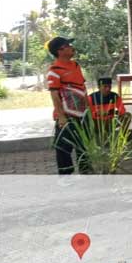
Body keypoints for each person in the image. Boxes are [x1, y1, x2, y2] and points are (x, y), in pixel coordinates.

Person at [46, 36, 88, 174]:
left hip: (82, 114)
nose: (71, 47)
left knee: (84, 146)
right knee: (63, 148)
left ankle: (87, 173)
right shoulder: (54, 70)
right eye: (68, 45)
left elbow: (82, 87)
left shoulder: (76, 66)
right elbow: (54, 95)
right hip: (67, 116)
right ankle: (66, 178)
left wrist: (89, 109)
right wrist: (61, 117)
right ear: (60, 50)